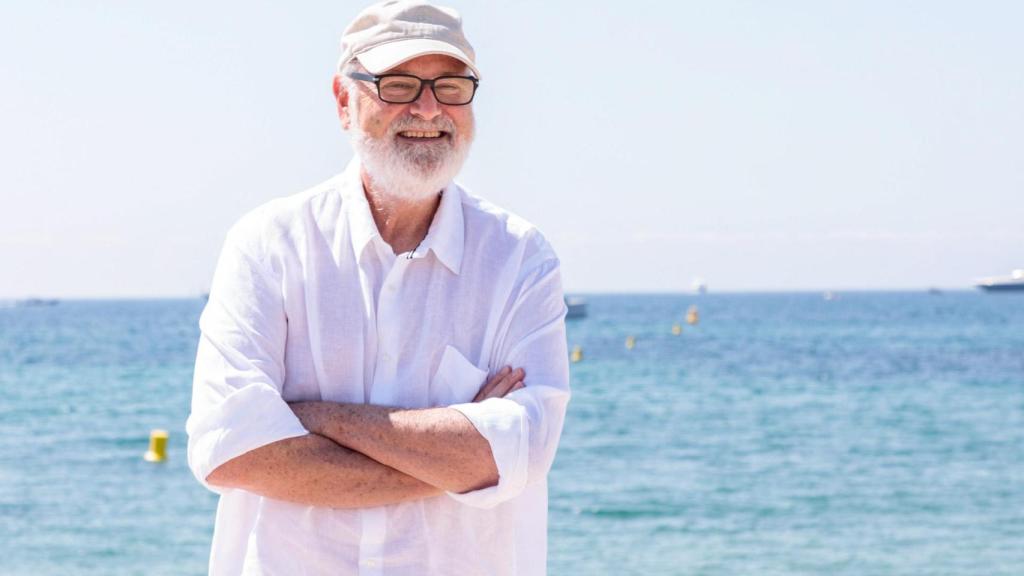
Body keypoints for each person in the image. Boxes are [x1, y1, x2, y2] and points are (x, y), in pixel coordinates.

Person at [185, 1, 571, 574]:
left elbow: (523, 452)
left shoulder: (520, 259)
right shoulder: (268, 246)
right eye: (398, 84)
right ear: (344, 101)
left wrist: (313, 418)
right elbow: (230, 449)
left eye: (450, 85)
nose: (428, 108)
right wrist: (450, 457)